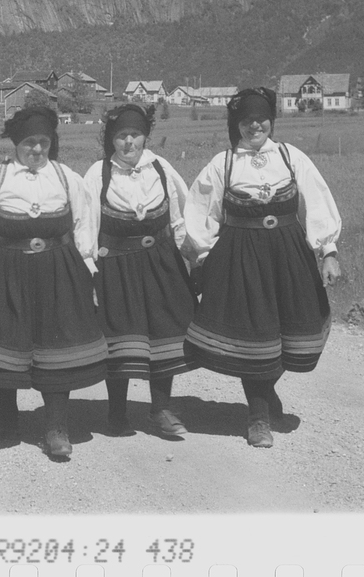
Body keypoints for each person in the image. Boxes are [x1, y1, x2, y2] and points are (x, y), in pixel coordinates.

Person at [183, 87, 342, 448]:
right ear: (236, 124)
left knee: (293, 329)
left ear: (272, 120)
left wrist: (328, 251)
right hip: (240, 257)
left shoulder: (290, 157)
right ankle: (257, 417)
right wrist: (206, 258)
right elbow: (199, 211)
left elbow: (316, 203)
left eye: (261, 118)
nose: (255, 125)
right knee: (254, 335)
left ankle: (266, 393)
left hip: (289, 255)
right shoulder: (223, 164)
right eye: (247, 120)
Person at [0, 105, 107, 460]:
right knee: (4, 343)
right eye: (30, 142)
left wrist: (86, 266)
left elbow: (84, 223)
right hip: (4, 271)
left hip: (58, 271)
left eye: (44, 142)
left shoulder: (65, 177)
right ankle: (8, 418)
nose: (37, 150)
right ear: (16, 143)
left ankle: (56, 427)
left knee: (57, 349)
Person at [83, 104, 200, 439]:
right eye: (121, 136)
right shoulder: (98, 174)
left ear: (145, 136)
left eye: (134, 135)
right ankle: (116, 414)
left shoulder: (161, 169)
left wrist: (191, 257)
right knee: (120, 340)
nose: (128, 143)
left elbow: (178, 218)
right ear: (111, 140)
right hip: (116, 265)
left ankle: (160, 409)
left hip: (161, 264)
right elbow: (86, 226)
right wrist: (89, 269)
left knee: (164, 336)